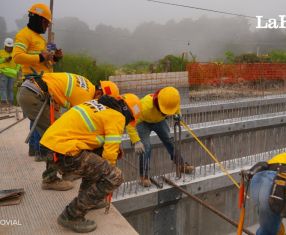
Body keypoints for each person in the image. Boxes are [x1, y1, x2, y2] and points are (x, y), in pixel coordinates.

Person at [40, 93, 142, 233]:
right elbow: (109, 156)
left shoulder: (98, 104)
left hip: (51, 147)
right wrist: (108, 175)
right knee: (114, 176)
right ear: (128, 114)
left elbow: (95, 140)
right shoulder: (117, 117)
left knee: (96, 163)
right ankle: (71, 215)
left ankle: (87, 200)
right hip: (65, 151)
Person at [17, 72, 119, 191]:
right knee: (56, 137)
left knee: (58, 132)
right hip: (33, 96)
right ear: (100, 93)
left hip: (32, 91)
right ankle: (50, 179)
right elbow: (78, 126)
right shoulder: (85, 97)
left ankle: (65, 170)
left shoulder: (87, 86)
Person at [12, 3, 63, 158]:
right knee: (40, 116)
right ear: (38, 19)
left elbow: (44, 62)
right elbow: (17, 57)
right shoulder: (24, 35)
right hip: (33, 81)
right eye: (46, 22)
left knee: (37, 116)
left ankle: (35, 148)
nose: (47, 26)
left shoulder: (39, 39)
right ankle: (41, 150)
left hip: (43, 81)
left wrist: (54, 58)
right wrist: (41, 56)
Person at [127, 86, 194, 187]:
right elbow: (130, 123)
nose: (167, 114)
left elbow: (175, 106)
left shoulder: (171, 99)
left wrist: (178, 114)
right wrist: (136, 141)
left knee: (169, 141)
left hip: (159, 121)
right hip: (143, 122)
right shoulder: (143, 106)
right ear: (158, 104)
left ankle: (181, 165)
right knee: (146, 147)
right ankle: (143, 176)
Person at [0, 38, 20, 107]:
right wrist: (4, 59)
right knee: (3, 88)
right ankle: (4, 103)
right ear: (5, 46)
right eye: (8, 47)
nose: (9, 48)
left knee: (10, 89)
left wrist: (16, 71)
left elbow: (18, 63)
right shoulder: (1, 52)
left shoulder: (14, 53)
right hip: (3, 73)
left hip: (12, 74)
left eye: (10, 47)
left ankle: (10, 104)